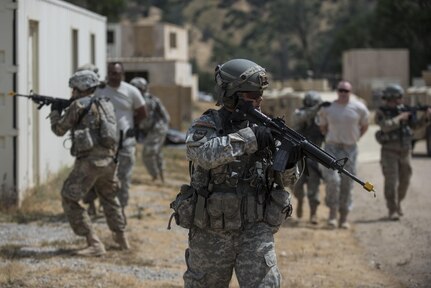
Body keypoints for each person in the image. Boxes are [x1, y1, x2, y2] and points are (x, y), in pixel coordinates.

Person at [180, 59, 300, 287]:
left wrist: (289, 161)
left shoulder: (266, 129)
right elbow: (204, 155)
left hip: (255, 231)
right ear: (232, 95)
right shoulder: (207, 124)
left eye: (261, 94)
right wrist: (250, 138)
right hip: (210, 232)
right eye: (252, 95)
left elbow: (287, 181)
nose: (259, 100)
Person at [49, 70, 129, 256]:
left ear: (82, 87)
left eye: (74, 89)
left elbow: (59, 130)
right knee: (109, 197)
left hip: (90, 163)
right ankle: (122, 239)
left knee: (69, 197)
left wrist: (54, 112)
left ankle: (93, 242)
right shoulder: (105, 103)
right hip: (109, 161)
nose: (72, 93)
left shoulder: (78, 105)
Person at [93, 62, 147, 216]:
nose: (113, 76)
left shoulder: (131, 91)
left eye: (116, 73)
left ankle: (121, 209)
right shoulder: (100, 91)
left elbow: (142, 112)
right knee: (104, 176)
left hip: (126, 142)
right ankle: (106, 205)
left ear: (122, 74)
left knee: (124, 177)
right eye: (110, 73)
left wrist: (130, 125)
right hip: (104, 143)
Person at [374, 84, 431, 220]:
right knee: (391, 182)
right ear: (391, 97)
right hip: (389, 152)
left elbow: (415, 127)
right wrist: (400, 118)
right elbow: (385, 126)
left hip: (405, 152)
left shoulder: (404, 110)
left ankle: (399, 203)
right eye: (398, 97)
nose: (400, 99)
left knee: (405, 181)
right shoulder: (381, 112)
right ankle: (392, 209)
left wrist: (426, 118)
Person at [318, 81, 369, 229]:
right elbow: (323, 127)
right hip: (332, 147)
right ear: (337, 91)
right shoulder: (328, 108)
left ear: (350, 92)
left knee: (348, 181)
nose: (343, 93)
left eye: (346, 91)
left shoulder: (359, 108)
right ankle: (332, 214)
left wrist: (356, 137)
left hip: (350, 149)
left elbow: (365, 125)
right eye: (341, 90)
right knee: (333, 180)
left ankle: (344, 217)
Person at [292, 91, 328, 224]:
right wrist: (316, 109)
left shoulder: (321, 118)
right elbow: (299, 119)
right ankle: (300, 200)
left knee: (314, 186)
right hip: (299, 157)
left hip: (314, 158)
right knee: (297, 186)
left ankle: (313, 213)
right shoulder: (299, 113)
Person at [130, 77, 170, 182]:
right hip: (154, 129)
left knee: (147, 153)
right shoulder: (145, 99)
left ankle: (155, 176)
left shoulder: (145, 101)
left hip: (157, 128)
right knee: (156, 153)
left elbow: (165, 116)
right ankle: (161, 176)